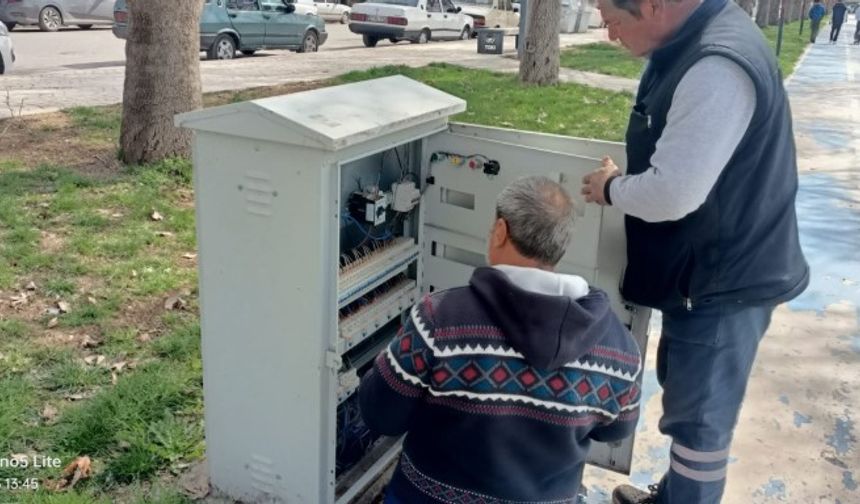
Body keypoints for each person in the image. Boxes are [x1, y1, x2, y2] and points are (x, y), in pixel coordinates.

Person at [581, 0, 809, 502]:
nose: (609, 35)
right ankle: (676, 494)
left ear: (654, 7)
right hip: (710, 269)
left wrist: (611, 189)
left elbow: (673, 193)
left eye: (614, 21)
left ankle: (688, 496)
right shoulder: (691, 39)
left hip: (724, 282)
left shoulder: (716, 66)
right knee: (688, 402)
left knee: (700, 426)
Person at [359, 176, 643, 504]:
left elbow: (381, 414)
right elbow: (615, 430)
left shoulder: (439, 320)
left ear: (500, 230)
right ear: (561, 244)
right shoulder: (620, 348)